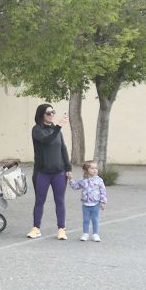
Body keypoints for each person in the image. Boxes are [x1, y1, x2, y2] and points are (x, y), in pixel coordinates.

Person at [28, 103, 72, 240]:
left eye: (53, 112)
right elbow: (46, 140)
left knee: (60, 200)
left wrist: (68, 168)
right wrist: (58, 126)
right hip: (42, 172)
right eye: (48, 113)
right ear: (41, 115)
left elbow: (63, 150)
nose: (52, 115)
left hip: (59, 172)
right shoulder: (36, 130)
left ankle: (61, 229)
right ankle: (36, 228)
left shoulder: (57, 131)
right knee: (39, 200)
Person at [69, 161, 107, 242]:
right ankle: (85, 233)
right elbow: (75, 186)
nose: (95, 170)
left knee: (95, 219)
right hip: (85, 204)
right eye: (92, 168)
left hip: (95, 204)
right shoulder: (83, 180)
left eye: (96, 168)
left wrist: (103, 201)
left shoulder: (99, 180)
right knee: (86, 219)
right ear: (86, 170)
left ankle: (95, 234)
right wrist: (71, 179)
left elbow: (103, 191)